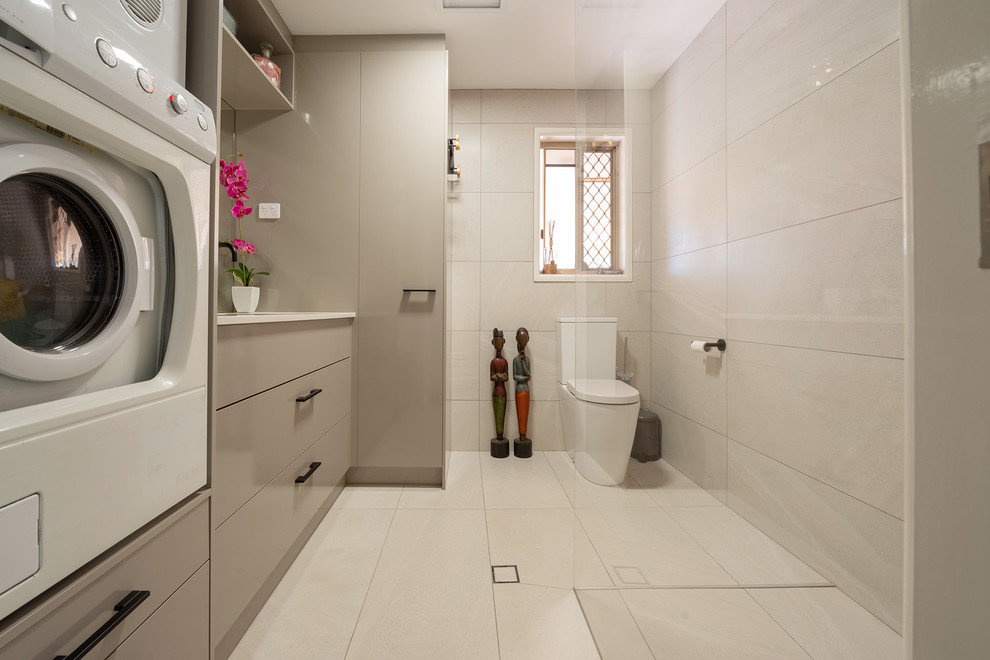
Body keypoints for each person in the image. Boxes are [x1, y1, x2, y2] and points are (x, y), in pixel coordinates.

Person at [512, 327, 531, 442]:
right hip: (519, 389)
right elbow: (515, 376)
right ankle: (521, 435)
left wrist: (523, 361)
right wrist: (525, 377)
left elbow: (529, 374)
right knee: (520, 415)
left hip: (525, 390)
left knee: (525, 415)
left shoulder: (527, 360)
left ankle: (523, 435)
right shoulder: (515, 360)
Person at [490, 328, 509, 441]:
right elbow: (491, 377)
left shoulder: (504, 361)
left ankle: (500, 435)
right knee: (497, 417)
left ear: (504, 341)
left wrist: (499, 376)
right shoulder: (493, 362)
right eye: (496, 341)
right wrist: (499, 376)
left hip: (502, 392)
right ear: (493, 342)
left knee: (502, 416)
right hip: (496, 392)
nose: (498, 343)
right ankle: (499, 435)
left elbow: (506, 377)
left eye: (500, 341)